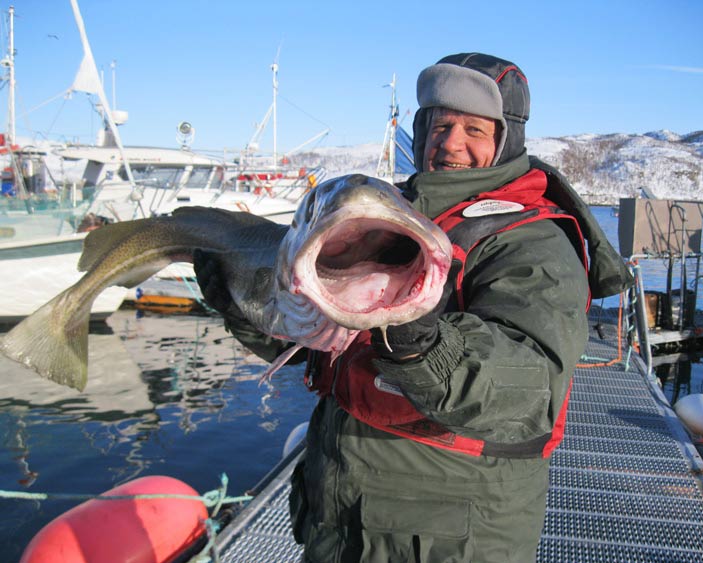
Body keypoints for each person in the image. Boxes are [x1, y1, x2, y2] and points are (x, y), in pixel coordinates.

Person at [195, 52, 632, 562]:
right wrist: (242, 306)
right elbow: (320, 344)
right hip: (340, 516)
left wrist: (426, 345)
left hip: (448, 533)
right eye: (440, 124)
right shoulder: (390, 215)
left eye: (474, 129)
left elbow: (530, 389)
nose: (451, 143)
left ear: (506, 138)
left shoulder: (533, 240)